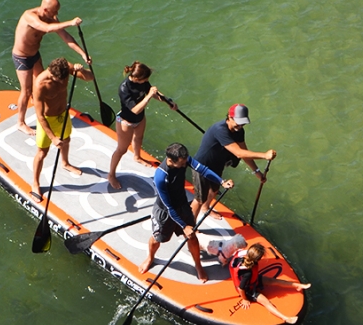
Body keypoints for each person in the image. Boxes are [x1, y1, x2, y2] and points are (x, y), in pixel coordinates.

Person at [139, 143, 233, 282]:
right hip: (165, 211)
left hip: (182, 205)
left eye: (185, 161)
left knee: (192, 237)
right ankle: (150, 257)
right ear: (171, 160)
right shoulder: (161, 176)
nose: (185, 165)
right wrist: (184, 226)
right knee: (158, 239)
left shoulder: (184, 159)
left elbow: (202, 169)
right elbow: (168, 206)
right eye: (182, 163)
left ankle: (198, 265)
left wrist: (221, 181)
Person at [12, 0, 89, 135]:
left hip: (34, 55)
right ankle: (21, 123)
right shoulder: (29, 16)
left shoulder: (50, 17)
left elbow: (65, 37)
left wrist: (82, 54)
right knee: (27, 90)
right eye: (54, 11)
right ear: (46, 9)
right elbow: (46, 28)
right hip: (21, 57)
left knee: (40, 85)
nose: (56, 15)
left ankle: (43, 112)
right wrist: (71, 22)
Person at [191, 104, 277, 220]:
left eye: (243, 123)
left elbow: (244, 152)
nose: (241, 126)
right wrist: (264, 155)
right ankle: (190, 227)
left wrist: (257, 171)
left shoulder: (239, 131)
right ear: (230, 117)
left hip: (217, 164)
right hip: (201, 166)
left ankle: (205, 208)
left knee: (215, 190)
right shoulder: (220, 129)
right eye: (238, 122)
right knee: (200, 198)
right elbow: (238, 153)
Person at [106, 61, 178, 189]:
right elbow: (134, 110)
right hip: (125, 122)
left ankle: (137, 156)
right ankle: (111, 174)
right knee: (121, 150)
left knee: (139, 139)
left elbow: (154, 93)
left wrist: (168, 101)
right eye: (145, 79)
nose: (146, 81)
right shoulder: (124, 88)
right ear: (135, 78)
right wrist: (149, 96)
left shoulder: (143, 82)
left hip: (139, 119)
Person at [30, 58, 94, 200]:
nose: (61, 83)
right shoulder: (40, 84)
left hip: (63, 115)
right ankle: (35, 183)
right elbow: (40, 116)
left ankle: (65, 163)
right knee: (42, 153)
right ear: (51, 73)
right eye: (57, 80)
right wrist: (52, 138)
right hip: (47, 120)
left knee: (66, 139)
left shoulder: (65, 68)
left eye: (63, 80)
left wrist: (82, 70)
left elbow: (91, 77)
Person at [230, 243, 310, 324]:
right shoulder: (247, 273)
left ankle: (298, 286)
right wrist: (245, 299)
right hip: (248, 290)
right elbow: (241, 288)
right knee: (266, 302)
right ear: (258, 258)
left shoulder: (245, 258)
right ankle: (286, 318)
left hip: (253, 280)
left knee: (273, 281)